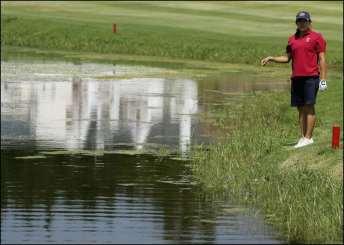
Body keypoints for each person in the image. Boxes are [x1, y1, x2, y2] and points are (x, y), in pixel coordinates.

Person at [261, 11, 327, 148]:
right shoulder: (292, 39)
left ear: (309, 22)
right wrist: (271, 58)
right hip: (296, 78)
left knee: (309, 106)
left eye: (304, 21)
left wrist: (323, 79)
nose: (302, 23)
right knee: (300, 108)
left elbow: (322, 59)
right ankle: (303, 137)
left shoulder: (317, 37)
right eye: (299, 21)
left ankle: (309, 138)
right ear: (296, 23)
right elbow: (287, 58)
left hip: (311, 77)